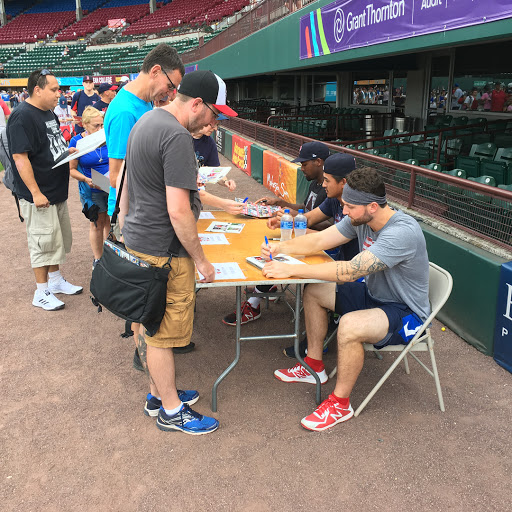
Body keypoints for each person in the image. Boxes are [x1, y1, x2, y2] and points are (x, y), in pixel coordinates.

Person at [261, 167, 430, 431]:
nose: (345, 212)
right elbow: (320, 240)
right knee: (315, 291)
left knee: (350, 325)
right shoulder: (360, 217)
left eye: (350, 207)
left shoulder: (402, 232)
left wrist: (292, 269)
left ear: (372, 206)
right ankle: (314, 366)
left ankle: (340, 404)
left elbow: (350, 271)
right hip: (375, 296)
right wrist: (280, 248)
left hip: (407, 313)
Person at [122, 69, 238, 435]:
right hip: (165, 251)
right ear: (197, 104)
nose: (215, 122)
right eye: (214, 113)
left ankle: (158, 395)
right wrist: (201, 259)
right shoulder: (175, 135)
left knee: (152, 325)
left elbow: (125, 185)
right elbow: (178, 209)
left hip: (141, 240)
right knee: (163, 334)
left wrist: (127, 229)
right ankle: (171, 412)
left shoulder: (147, 120)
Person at [104, 43, 185, 367]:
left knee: (152, 290)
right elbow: (115, 176)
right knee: (145, 292)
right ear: (155, 71)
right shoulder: (126, 111)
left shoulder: (139, 105)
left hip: (141, 212)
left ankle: (155, 348)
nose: (171, 92)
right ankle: (147, 357)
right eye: (170, 85)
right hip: (134, 215)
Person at [222, 142, 332, 327]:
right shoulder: (316, 182)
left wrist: (298, 218)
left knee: (273, 255)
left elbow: (330, 226)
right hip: (303, 235)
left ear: (319, 162)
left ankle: (254, 304)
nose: (302, 168)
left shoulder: (331, 188)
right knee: (262, 244)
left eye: (305, 164)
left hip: (318, 245)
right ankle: (266, 287)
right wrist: (280, 203)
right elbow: (307, 210)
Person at [7, 69, 83, 311]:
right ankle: (41, 292)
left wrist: (67, 151)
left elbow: (51, 144)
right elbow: (20, 158)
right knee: (41, 242)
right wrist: (35, 192)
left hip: (55, 189)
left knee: (55, 239)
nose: (58, 94)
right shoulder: (22, 117)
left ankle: (56, 281)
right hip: (39, 193)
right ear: (37, 90)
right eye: (53, 89)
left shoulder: (49, 113)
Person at [69, 106, 110, 267]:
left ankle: (110, 256)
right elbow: (72, 170)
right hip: (93, 188)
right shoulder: (76, 141)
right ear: (84, 125)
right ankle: (98, 259)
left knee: (110, 221)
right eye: (96, 126)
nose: (100, 129)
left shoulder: (106, 136)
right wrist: (86, 179)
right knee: (97, 223)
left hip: (110, 185)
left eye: (102, 125)